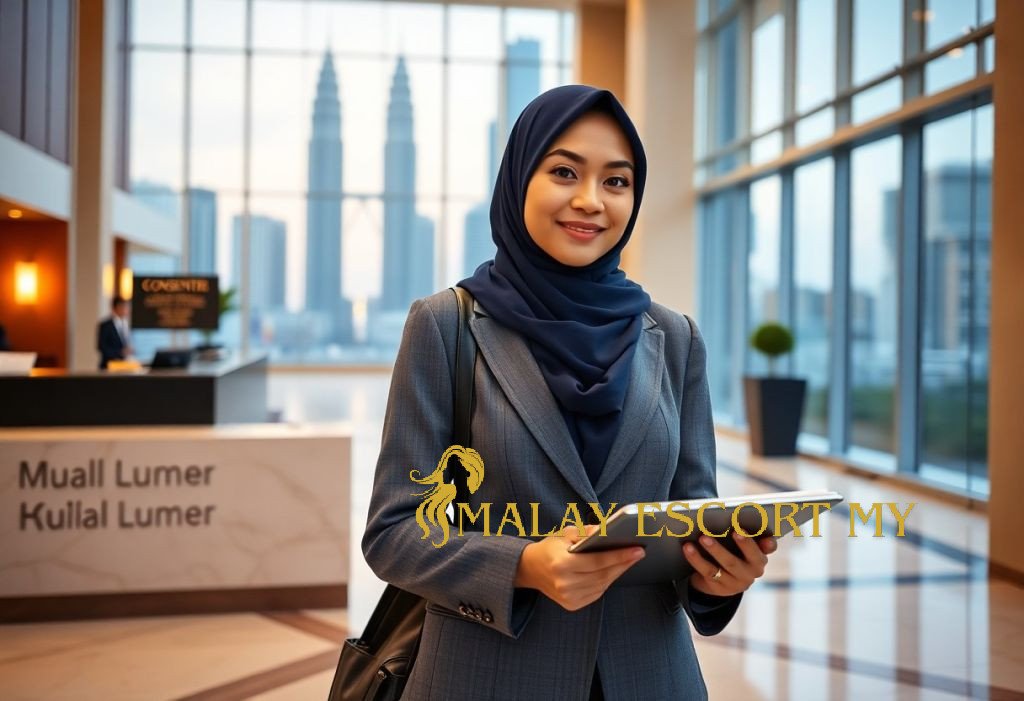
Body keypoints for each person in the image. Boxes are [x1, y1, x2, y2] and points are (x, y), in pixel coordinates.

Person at [362, 85, 778, 700]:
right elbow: (394, 531)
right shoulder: (446, 325)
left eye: (617, 181)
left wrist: (718, 577)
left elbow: (688, 516)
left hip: (649, 677)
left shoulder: (675, 337)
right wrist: (524, 565)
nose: (591, 200)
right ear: (519, 180)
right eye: (564, 172)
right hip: (488, 677)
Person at [97, 296, 134, 369]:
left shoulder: (126, 324)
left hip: (124, 365)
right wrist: (120, 352)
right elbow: (101, 347)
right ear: (116, 307)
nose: (127, 310)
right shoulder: (106, 325)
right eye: (124, 307)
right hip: (108, 366)